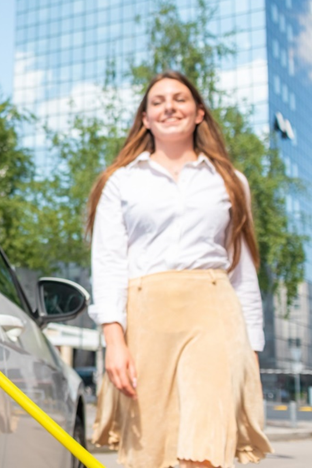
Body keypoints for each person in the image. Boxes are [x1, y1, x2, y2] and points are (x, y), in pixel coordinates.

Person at [88, 71, 273, 467]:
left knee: (204, 443)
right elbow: (107, 263)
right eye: (157, 101)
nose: (169, 106)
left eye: (180, 98)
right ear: (145, 119)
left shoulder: (230, 181)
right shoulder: (119, 182)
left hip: (213, 313)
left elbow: (242, 273)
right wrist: (114, 339)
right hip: (145, 316)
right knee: (148, 448)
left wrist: (251, 349)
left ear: (199, 113)